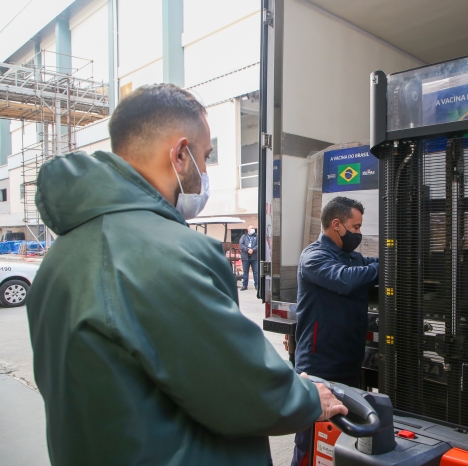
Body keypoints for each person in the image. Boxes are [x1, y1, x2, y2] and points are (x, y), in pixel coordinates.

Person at [26, 84, 348, 466]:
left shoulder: (60, 256)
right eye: (205, 157)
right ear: (180, 155)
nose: (205, 171)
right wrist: (309, 397)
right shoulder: (164, 253)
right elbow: (239, 390)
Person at [291, 196, 379, 466]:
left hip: (348, 364)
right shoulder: (314, 257)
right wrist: (380, 267)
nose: (359, 234)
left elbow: (371, 265)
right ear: (337, 224)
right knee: (310, 444)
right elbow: (345, 279)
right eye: (355, 227)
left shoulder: (352, 257)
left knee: (340, 443)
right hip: (319, 368)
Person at [240, 224, 259, 291]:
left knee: (256, 272)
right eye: (251, 228)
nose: (253, 229)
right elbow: (241, 245)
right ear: (247, 229)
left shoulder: (257, 236)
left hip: (254, 257)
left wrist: (253, 250)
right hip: (245, 257)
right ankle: (244, 285)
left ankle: (257, 285)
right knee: (245, 272)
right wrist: (248, 250)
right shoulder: (243, 236)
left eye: (253, 228)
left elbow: (259, 245)